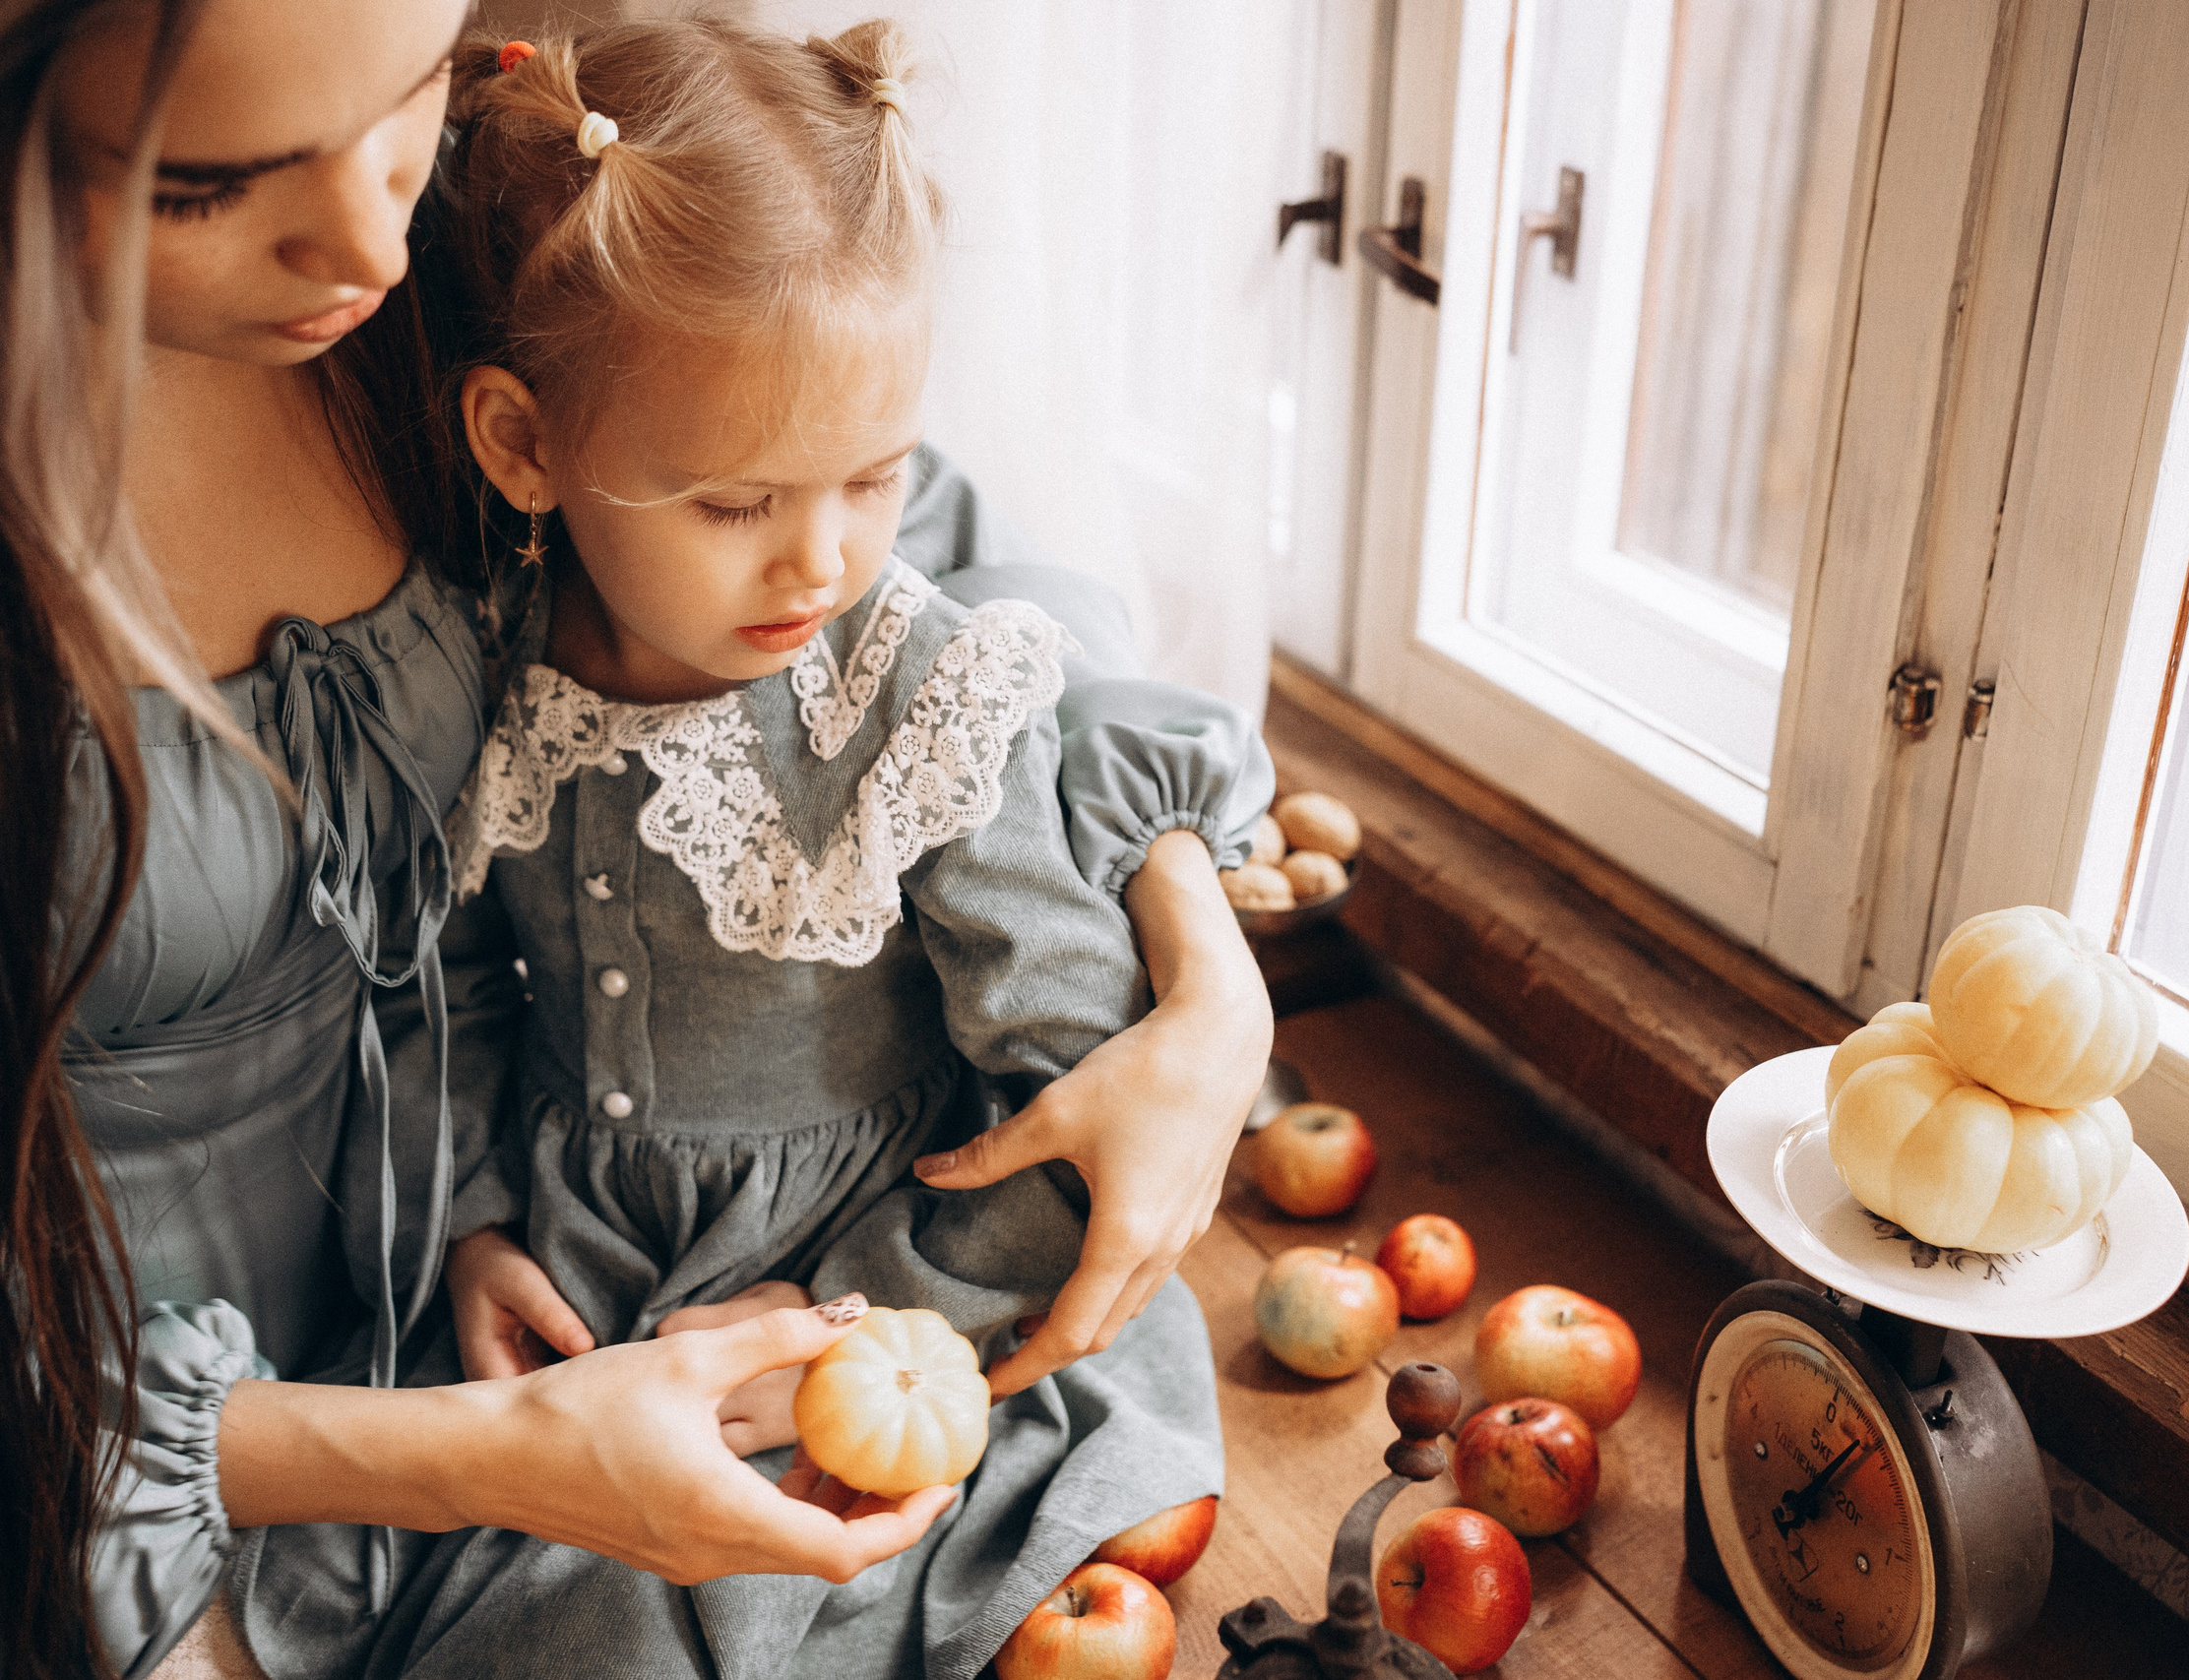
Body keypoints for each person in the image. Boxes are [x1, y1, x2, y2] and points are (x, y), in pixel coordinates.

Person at [9, 2, 1274, 1675]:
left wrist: (1193, 953)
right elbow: (458, 958)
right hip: (177, 1424)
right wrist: (471, 1254)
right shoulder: (547, 638)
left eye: (410, 105)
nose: (373, 239)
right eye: (209, 184)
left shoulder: (510, 268)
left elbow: (940, 568)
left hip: (698, 1301)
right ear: (519, 450)